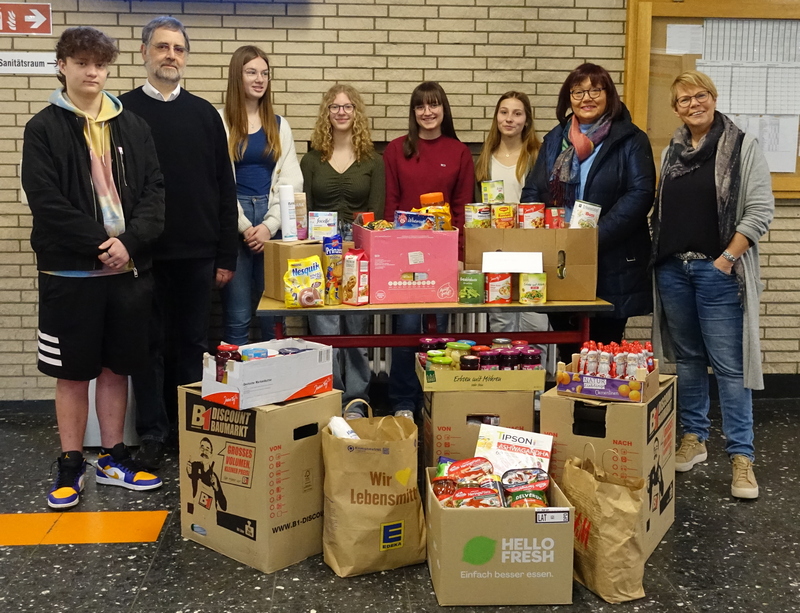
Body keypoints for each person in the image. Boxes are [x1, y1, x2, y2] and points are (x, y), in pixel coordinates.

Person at [21, 26, 164, 509]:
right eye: (81, 62)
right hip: (70, 276)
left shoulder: (133, 126)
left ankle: (114, 456)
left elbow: (154, 195)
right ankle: (69, 464)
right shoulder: (42, 128)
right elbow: (47, 202)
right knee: (71, 373)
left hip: (126, 274)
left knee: (115, 370)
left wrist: (130, 243)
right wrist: (103, 242)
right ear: (62, 65)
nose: (92, 72)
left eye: (100, 64)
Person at [120, 17, 238, 471]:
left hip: (197, 254)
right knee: (147, 347)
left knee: (192, 344)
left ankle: (193, 431)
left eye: (179, 49)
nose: (171, 55)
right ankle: (152, 432)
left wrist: (225, 254)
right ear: (145, 53)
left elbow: (224, 189)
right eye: (162, 47)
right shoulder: (121, 111)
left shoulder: (205, 114)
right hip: (142, 256)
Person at [651, 70, 774, 500]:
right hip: (673, 270)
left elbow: (759, 211)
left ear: (713, 96)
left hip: (717, 270)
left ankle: (742, 459)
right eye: (683, 100)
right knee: (687, 359)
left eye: (699, 95)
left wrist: (727, 259)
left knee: (729, 366)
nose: (693, 104)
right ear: (676, 108)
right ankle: (694, 438)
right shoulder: (672, 150)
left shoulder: (742, 146)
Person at [521, 63, 656, 358]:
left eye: (596, 89)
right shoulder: (555, 140)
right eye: (578, 91)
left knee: (602, 352)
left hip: (610, 257)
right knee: (567, 345)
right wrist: (541, 235)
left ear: (609, 95)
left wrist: (593, 237)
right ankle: (568, 403)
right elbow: (533, 191)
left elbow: (640, 195)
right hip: (560, 258)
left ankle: (599, 404)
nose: (587, 97)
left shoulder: (630, 139)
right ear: (568, 98)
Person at [383, 81, 474, 416]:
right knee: (406, 329)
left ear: (443, 109)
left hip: (445, 257)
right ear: (414, 112)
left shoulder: (459, 152)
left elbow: (464, 208)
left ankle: (439, 399)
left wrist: (461, 256)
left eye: (434, 105)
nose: (427, 112)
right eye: (421, 106)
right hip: (404, 257)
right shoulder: (396, 150)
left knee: (440, 333)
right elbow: (390, 206)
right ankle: (404, 402)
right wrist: (389, 255)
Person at [300, 84, 384, 417]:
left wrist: (358, 249)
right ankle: (330, 397)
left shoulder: (373, 161)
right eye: (334, 107)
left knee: (356, 326)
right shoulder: (310, 160)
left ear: (356, 112)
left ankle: (356, 401)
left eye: (347, 107)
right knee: (325, 327)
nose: (341, 112)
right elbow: (303, 211)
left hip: (358, 248)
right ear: (326, 114)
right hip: (319, 248)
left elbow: (375, 214)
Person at [218, 45, 303, 346]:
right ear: (236, 77)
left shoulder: (279, 125)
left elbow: (293, 179)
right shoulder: (220, 122)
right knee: (238, 315)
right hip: (233, 222)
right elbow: (217, 182)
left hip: (272, 223)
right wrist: (245, 228)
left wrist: (270, 225)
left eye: (265, 73)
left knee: (273, 315)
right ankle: (237, 391)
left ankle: (276, 388)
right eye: (251, 72)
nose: (259, 79)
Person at [475, 91, 552, 373]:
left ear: (527, 119)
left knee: (535, 321)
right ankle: (505, 386)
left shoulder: (537, 155)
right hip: (496, 251)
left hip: (533, 250)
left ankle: (534, 391)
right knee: (502, 325)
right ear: (496, 117)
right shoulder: (485, 157)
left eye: (517, 113)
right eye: (504, 112)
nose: (509, 119)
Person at [186, 437, 227, 512]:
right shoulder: (193, 467)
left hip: (209, 517)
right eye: (202, 447)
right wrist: (189, 475)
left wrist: (217, 488)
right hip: (196, 513)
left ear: (211, 454)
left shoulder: (213, 476)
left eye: (207, 448)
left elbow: (224, 506)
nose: (204, 451)